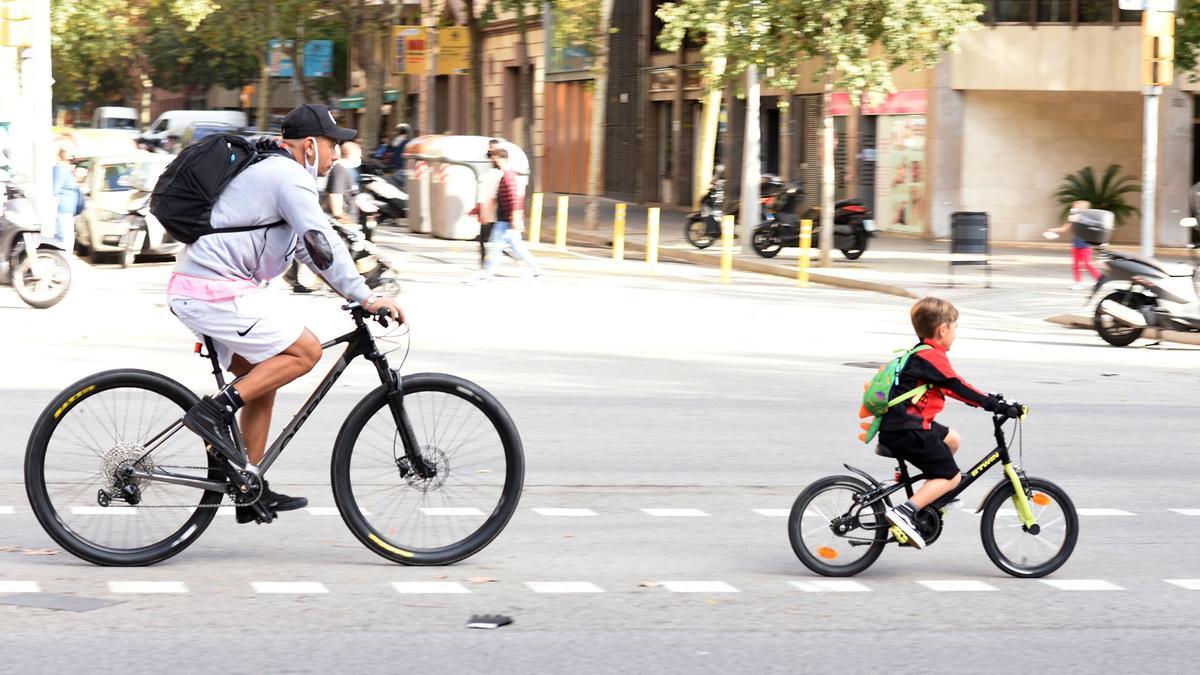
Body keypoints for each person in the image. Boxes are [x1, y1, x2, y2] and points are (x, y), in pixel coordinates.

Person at [167, 103, 403, 524]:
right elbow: (320, 237)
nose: (337, 155)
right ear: (311, 145)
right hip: (213, 292)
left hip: (208, 289)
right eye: (334, 145)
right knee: (304, 352)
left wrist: (351, 289)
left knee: (265, 374)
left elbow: (306, 250)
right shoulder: (289, 176)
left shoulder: (276, 174)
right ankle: (212, 413)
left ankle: (247, 485)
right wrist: (365, 298)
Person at [878, 297, 1022, 549]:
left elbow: (954, 388)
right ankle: (905, 511)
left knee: (951, 438)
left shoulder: (922, 353)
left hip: (901, 426)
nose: (955, 333)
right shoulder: (932, 356)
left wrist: (988, 398)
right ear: (942, 329)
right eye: (954, 327)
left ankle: (938, 496)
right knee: (952, 477)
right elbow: (957, 385)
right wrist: (995, 405)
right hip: (908, 429)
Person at [480, 147, 540, 279]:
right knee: (516, 247)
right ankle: (536, 268)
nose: (494, 161)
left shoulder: (508, 176)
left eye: (496, 159)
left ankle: (488, 273)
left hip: (506, 220)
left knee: (497, 246)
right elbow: (496, 198)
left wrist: (515, 217)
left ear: (503, 159)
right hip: (506, 219)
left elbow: (515, 197)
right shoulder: (505, 176)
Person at [1043, 200, 1100, 290]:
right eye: (1074, 207)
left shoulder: (1087, 218)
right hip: (1076, 244)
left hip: (1085, 245)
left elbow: (1091, 227)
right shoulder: (1072, 218)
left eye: (1077, 207)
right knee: (1075, 265)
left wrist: (1079, 219)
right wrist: (1053, 230)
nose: (1074, 208)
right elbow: (1064, 229)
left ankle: (1099, 279)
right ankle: (1078, 283)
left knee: (1087, 264)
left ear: (1085, 209)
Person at [472, 138, 503, 268]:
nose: (492, 151)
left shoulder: (501, 164)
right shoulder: (485, 161)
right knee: (485, 239)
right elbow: (482, 183)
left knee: (500, 238)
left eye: (494, 148)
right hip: (489, 206)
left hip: (496, 208)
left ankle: (487, 266)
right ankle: (484, 265)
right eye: (491, 148)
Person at [51, 140, 81, 254]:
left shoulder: (66, 169)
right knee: (65, 241)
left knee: (67, 240)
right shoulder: (60, 169)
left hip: (67, 210)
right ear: (63, 154)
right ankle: (61, 266)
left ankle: (62, 265)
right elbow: (55, 190)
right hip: (62, 210)